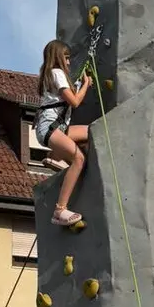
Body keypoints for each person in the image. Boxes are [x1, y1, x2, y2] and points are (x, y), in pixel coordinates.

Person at [34, 39, 92, 226]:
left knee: (91, 132)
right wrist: (86, 84)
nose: (68, 62)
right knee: (79, 159)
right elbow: (74, 102)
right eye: (66, 58)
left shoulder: (51, 75)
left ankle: (57, 155)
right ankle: (60, 210)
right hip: (51, 129)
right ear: (58, 57)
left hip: (57, 129)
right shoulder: (56, 73)